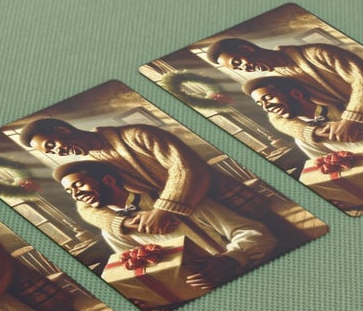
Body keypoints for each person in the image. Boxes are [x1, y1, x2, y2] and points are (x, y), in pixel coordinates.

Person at [18, 117, 278, 286]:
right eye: (49, 151)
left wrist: (162, 209)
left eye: (53, 143)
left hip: (207, 199)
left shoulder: (136, 135)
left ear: (63, 128)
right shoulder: (88, 165)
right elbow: (85, 205)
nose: (57, 151)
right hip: (164, 211)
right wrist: (123, 221)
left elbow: (186, 169)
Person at [200, 33, 363, 145]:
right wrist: (314, 133)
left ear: (247, 49)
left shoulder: (317, 54)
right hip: (359, 122)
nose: (245, 68)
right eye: (237, 68)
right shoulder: (276, 79)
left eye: (238, 61)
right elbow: (277, 118)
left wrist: (349, 120)